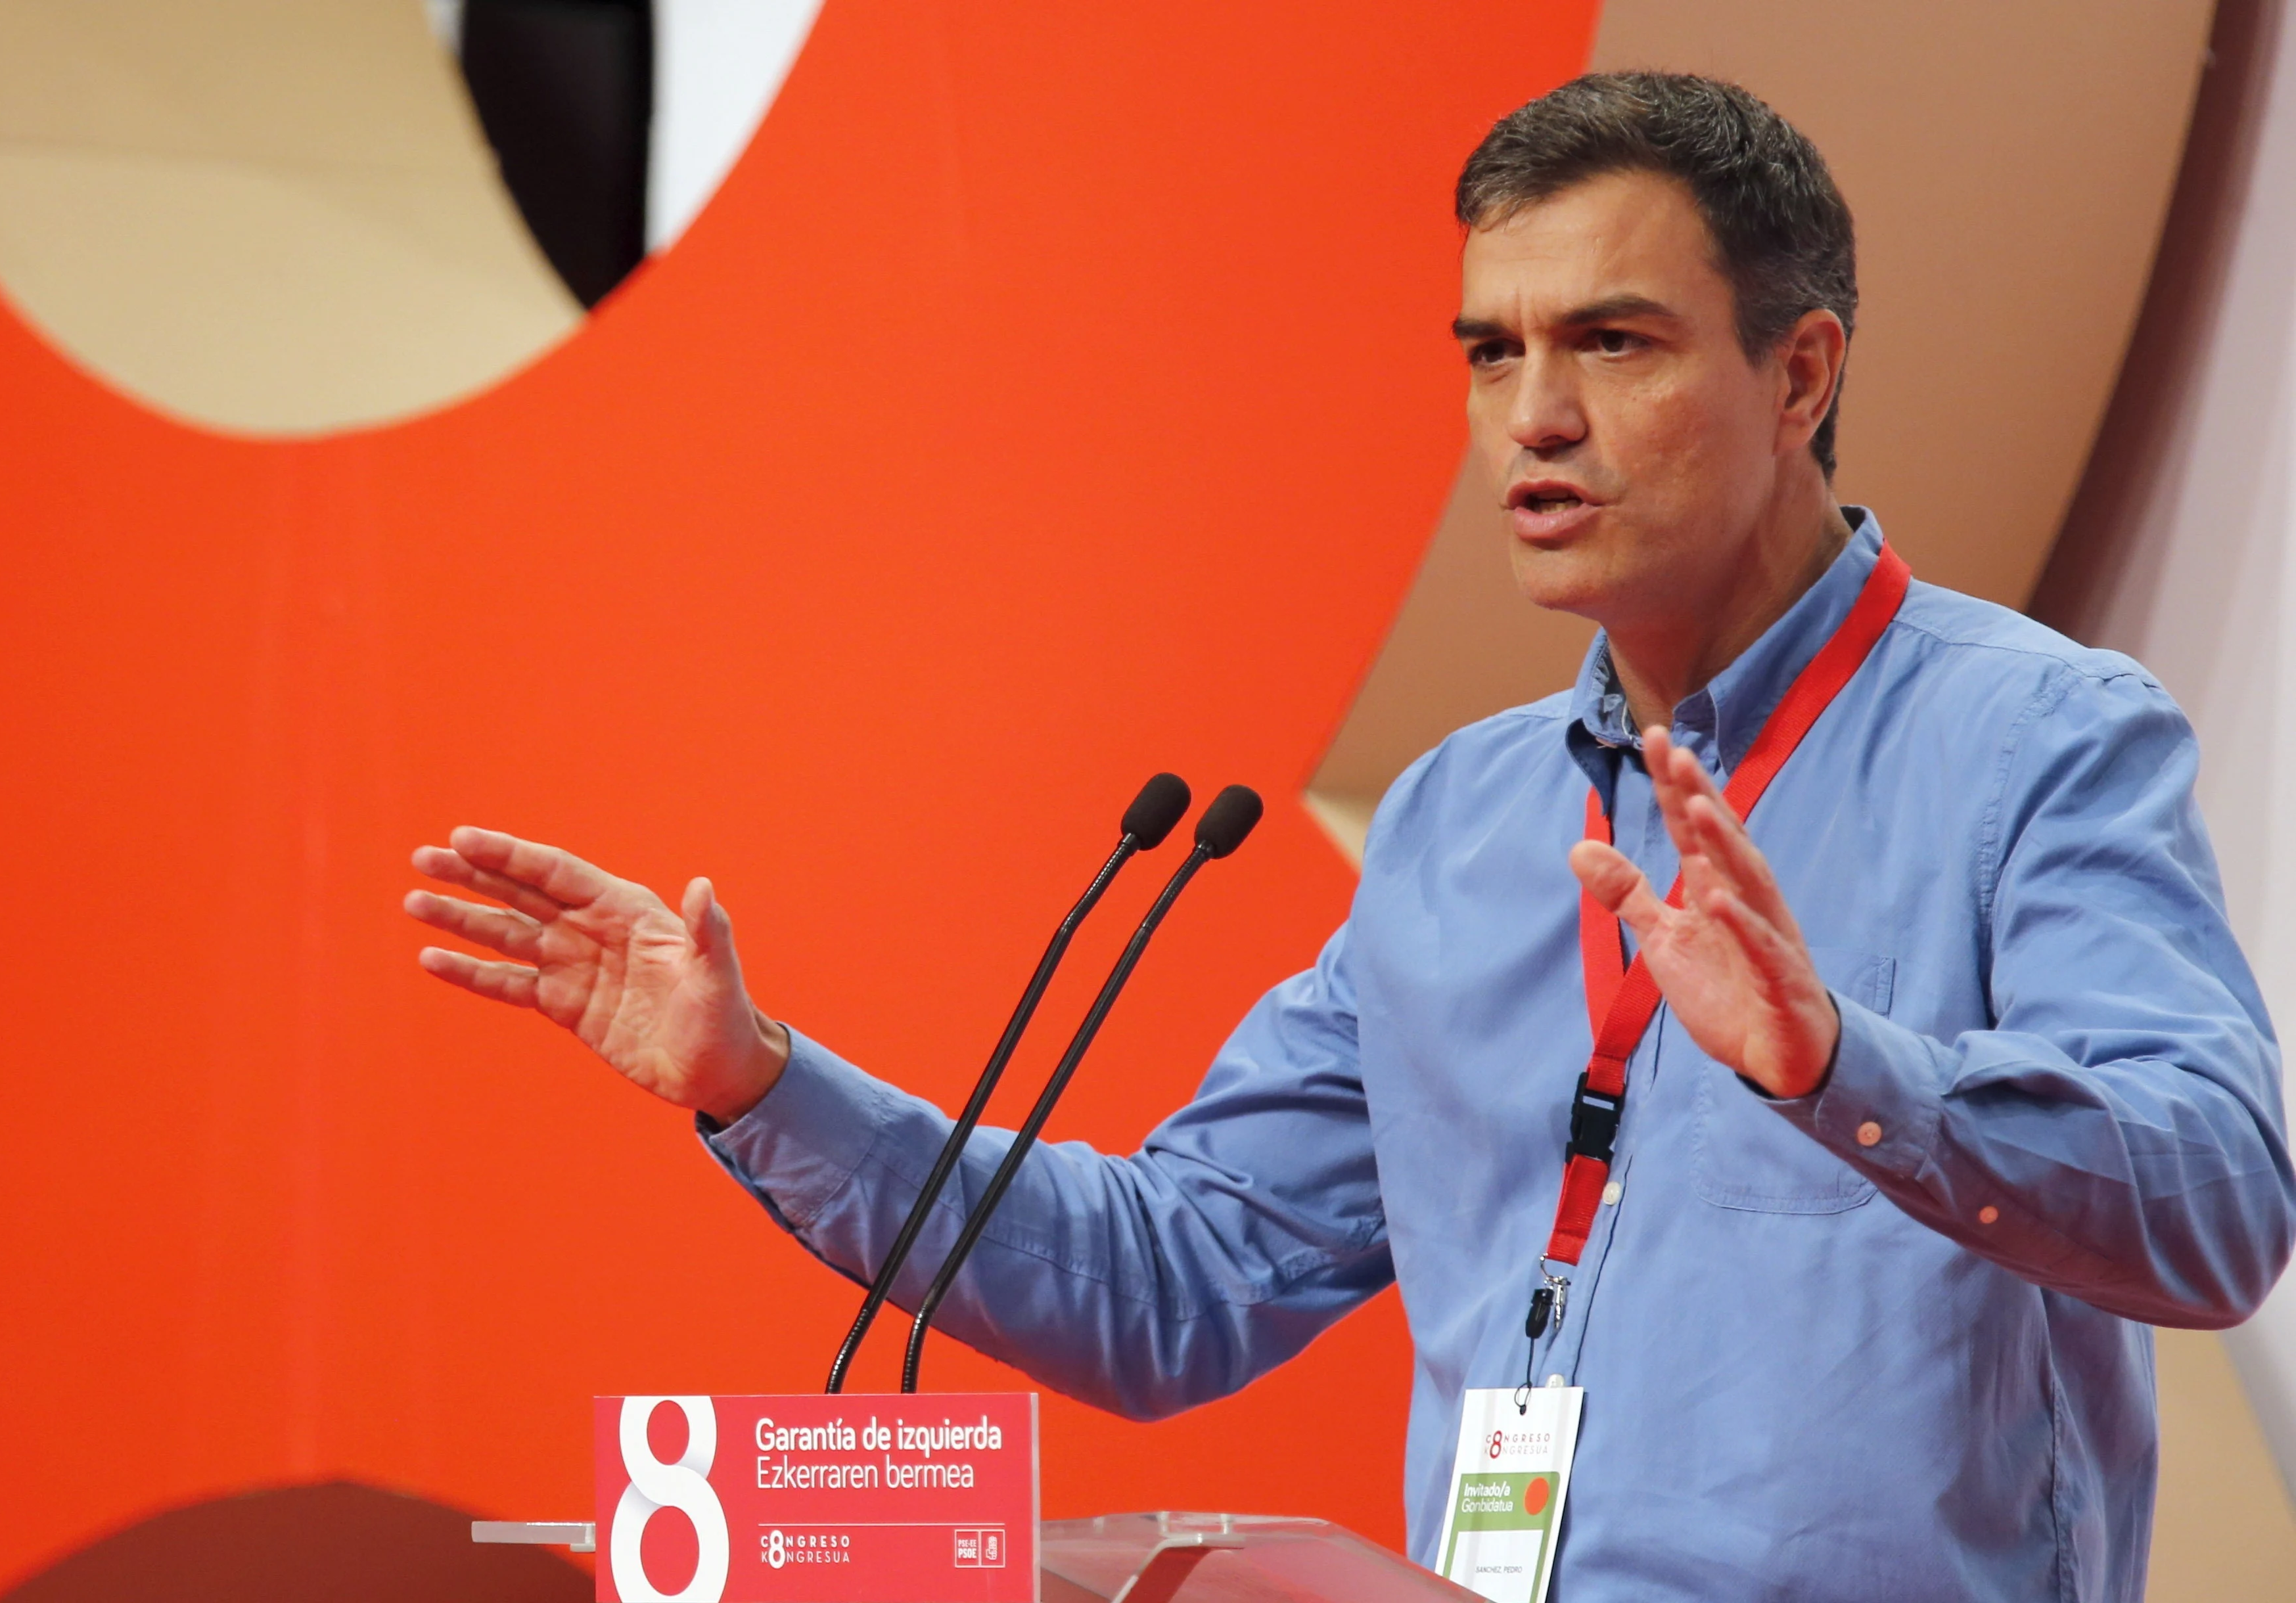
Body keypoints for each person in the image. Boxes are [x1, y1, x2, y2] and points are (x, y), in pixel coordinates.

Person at [402, 74, 2295, 1601]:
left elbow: (2222, 1207)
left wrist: (1840, 1067)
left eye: (1614, 344)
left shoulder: (2035, 740)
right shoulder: (1467, 824)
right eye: (1490, 353)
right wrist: (760, 1081)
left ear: (1800, 376)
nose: (1534, 421)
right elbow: (1180, 1275)